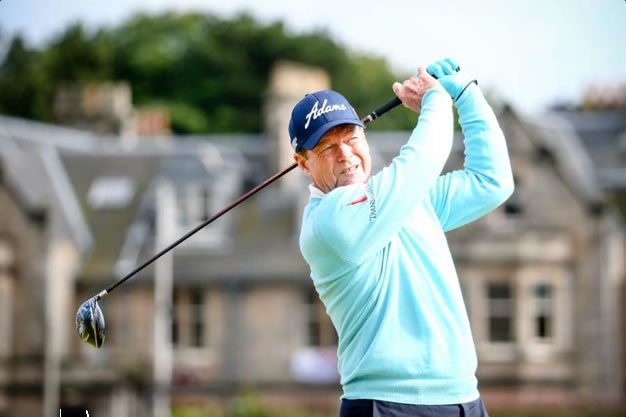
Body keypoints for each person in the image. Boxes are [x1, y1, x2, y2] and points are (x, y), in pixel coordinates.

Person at [289, 58, 514, 417]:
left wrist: (467, 94)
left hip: (464, 399)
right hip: (385, 403)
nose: (345, 154)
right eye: (327, 147)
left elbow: (492, 182)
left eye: (351, 137)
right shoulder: (327, 223)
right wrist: (435, 98)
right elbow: (421, 161)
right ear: (303, 163)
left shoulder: (407, 198)